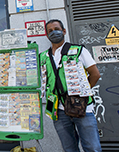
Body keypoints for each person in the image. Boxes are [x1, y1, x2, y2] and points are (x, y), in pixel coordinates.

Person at [40, 19, 102, 152]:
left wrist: (82, 93)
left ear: (64, 31)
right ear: (46, 35)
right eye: (50, 31)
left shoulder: (79, 50)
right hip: (58, 109)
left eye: (56, 29)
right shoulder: (43, 56)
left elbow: (95, 74)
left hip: (82, 107)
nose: (53, 33)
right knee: (69, 148)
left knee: (92, 147)